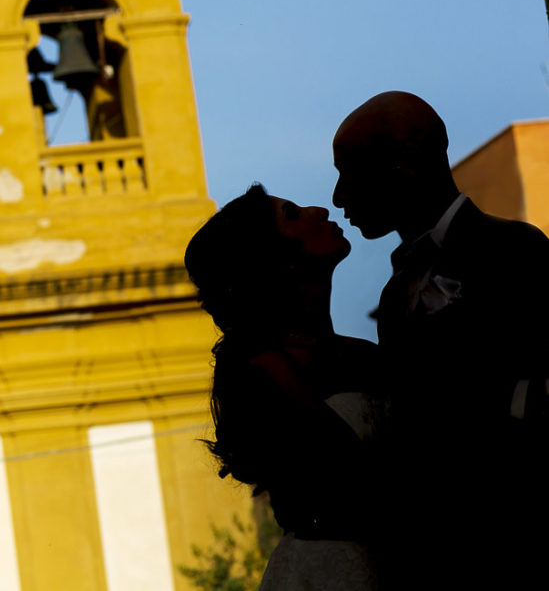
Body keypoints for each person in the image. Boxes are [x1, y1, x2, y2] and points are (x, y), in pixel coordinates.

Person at [332, 91, 549, 587]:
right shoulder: (393, 295)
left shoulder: (514, 250)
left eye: (350, 171)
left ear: (405, 162)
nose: (340, 197)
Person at [185, 184, 385, 590]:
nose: (320, 209)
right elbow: (346, 466)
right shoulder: (261, 368)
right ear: (278, 261)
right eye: (293, 213)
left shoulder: (362, 354)